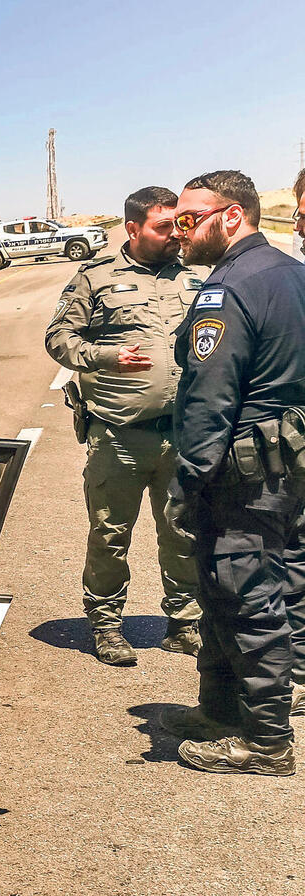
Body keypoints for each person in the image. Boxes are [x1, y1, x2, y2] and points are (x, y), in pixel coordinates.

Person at [157, 170, 305, 776]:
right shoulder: (291, 273)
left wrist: (187, 479)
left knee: (244, 594)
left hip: (239, 471)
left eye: (189, 221)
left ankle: (266, 740)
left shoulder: (229, 288)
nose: (178, 234)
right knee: (235, 588)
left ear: (231, 216)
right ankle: (220, 711)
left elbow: (208, 397)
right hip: (284, 464)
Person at [44, 187, 202, 666]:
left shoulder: (197, 276)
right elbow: (59, 338)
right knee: (111, 532)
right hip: (119, 432)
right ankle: (107, 625)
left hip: (184, 431)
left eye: (180, 225)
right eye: (162, 226)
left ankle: (184, 622)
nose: (175, 234)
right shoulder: (96, 279)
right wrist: (106, 356)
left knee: (183, 530)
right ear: (132, 229)